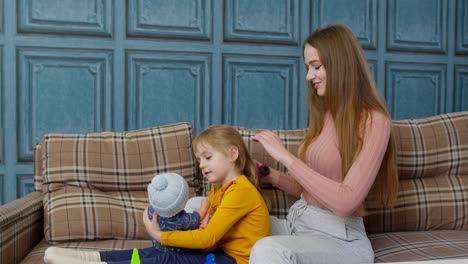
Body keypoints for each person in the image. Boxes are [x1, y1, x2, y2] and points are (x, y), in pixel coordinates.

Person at [249, 24, 399, 264]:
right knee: (222, 218)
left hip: (341, 240)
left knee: (268, 250)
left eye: (316, 67)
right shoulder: (327, 114)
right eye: (308, 68)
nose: (309, 76)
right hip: (300, 223)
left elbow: (346, 201)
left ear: (341, 65)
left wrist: (286, 157)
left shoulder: (375, 121)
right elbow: (307, 189)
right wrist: (266, 173)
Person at [43, 125, 271, 264]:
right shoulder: (218, 189)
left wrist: (160, 234)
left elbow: (208, 238)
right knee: (155, 253)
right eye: (199, 160)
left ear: (233, 154)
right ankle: (89, 258)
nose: (201, 165)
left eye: (207, 157)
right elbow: (208, 235)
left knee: (167, 258)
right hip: (220, 254)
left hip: (236, 261)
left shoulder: (241, 191)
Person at [145, 172, 210, 252]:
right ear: (182, 204)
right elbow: (197, 217)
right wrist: (204, 206)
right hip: (175, 249)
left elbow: (147, 213)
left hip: (157, 244)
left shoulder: (151, 210)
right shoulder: (181, 219)